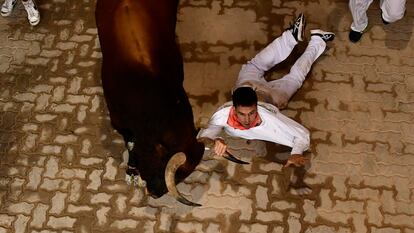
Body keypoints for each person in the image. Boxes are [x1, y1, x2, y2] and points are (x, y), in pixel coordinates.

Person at [198, 13, 335, 193]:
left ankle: (312, 40)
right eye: (242, 114)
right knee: (255, 66)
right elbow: (202, 138)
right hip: (247, 86)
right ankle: (299, 37)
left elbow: (302, 135)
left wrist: (296, 153)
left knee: (295, 76)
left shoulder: (270, 120)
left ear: (256, 108)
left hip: (273, 97)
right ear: (233, 108)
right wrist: (213, 140)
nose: (247, 120)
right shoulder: (222, 114)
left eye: (251, 113)